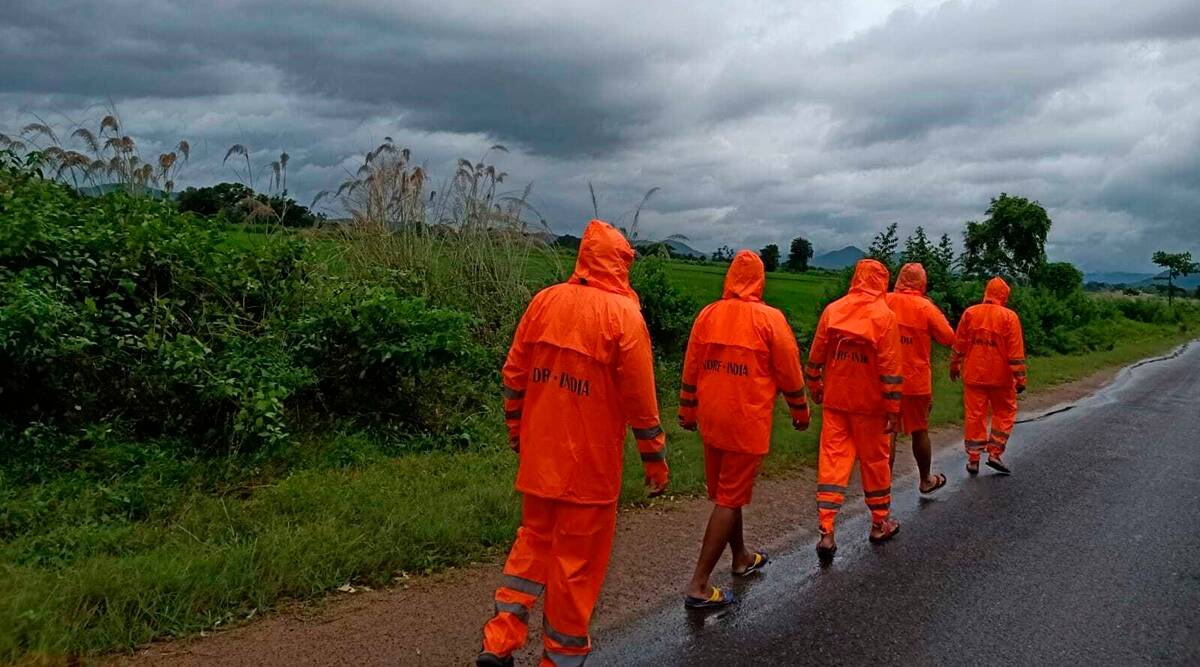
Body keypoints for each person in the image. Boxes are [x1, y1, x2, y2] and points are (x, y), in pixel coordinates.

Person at [477, 220, 670, 667]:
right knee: (574, 567)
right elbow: (641, 405)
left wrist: (515, 432)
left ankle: (499, 641)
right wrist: (655, 462)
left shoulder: (543, 302)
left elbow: (514, 377)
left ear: (583, 257)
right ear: (621, 263)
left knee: (532, 545)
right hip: (590, 470)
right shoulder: (625, 318)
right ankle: (560, 659)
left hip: (540, 458)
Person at [677, 250, 809, 609]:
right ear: (759, 280)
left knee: (727, 494)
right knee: (728, 498)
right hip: (745, 421)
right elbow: (789, 372)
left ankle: (741, 557)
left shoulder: (708, 315)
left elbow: (692, 365)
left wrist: (687, 410)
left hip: (712, 418)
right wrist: (801, 411)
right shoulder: (769, 319)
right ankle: (699, 585)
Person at [806, 258, 903, 560]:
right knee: (875, 463)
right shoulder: (884, 316)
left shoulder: (833, 310)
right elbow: (889, 367)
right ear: (881, 282)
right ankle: (879, 523)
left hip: (837, 401)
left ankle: (826, 531)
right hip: (871, 407)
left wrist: (816, 386)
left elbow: (816, 354)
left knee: (832, 463)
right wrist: (893, 407)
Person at [884, 263, 956, 493]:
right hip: (916, 382)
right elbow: (948, 337)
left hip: (885, 379)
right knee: (920, 431)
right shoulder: (926, 308)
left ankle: (881, 486)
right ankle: (926, 479)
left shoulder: (883, 300)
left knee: (887, 432)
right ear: (922, 283)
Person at [950, 276, 1026, 476]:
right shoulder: (1009, 317)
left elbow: (960, 343)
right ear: (1004, 296)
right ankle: (994, 453)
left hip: (974, 375)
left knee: (975, 416)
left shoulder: (970, 313)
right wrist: (1020, 378)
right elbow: (1015, 353)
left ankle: (973, 459)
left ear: (987, 292)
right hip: (1000, 378)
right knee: (1005, 411)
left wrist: (954, 365)